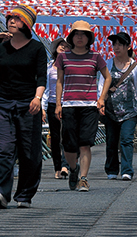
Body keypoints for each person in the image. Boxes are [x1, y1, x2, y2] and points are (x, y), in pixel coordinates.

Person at [0, 5, 47, 209]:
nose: (11, 21)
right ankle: (0, 192)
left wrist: (38, 98)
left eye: (16, 19)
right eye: (9, 18)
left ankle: (25, 194)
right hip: (3, 104)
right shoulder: (2, 48)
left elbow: (42, 77)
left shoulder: (37, 48)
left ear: (26, 24)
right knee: (3, 149)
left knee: (29, 151)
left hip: (28, 104)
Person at [55, 20, 112, 192]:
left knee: (85, 143)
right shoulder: (63, 57)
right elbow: (59, 81)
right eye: (76, 34)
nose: (80, 37)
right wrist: (58, 103)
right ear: (72, 37)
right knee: (69, 145)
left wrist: (101, 98)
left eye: (83, 35)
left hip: (89, 105)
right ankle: (74, 169)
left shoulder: (96, 57)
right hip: (69, 104)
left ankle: (84, 179)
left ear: (89, 38)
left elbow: (107, 77)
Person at [99, 32, 137, 181]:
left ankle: (127, 170)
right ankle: (111, 170)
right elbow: (102, 84)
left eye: (120, 44)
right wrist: (100, 101)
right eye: (114, 44)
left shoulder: (135, 66)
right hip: (111, 109)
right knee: (111, 141)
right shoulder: (108, 63)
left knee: (126, 139)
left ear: (128, 47)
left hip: (130, 110)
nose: (116, 47)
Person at [42, 38, 71, 179]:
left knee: (67, 134)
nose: (63, 47)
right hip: (53, 104)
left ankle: (65, 165)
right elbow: (46, 90)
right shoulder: (49, 67)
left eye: (66, 46)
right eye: (61, 45)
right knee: (55, 137)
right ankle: (57, 167)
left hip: (68, 104)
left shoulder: (70, 67)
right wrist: (43, 107)